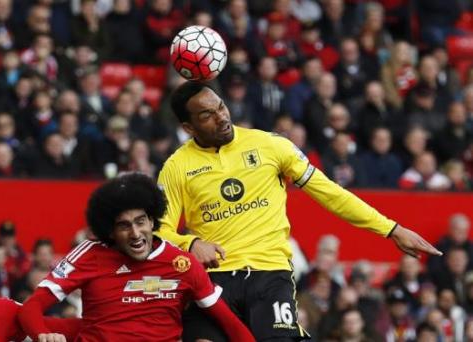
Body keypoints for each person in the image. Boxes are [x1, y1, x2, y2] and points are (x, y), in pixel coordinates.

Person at [157, 81, 442, 341]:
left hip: (269, 274)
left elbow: (331, 193)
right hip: (213, 278)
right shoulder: (176, 167)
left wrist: (392, 229)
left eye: (221, 107)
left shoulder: (270, 145)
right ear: (189, 128)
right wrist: (191, 243)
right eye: (207, 115)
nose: (222, 117)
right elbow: (159, 231)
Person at [18, 173, 255, 341]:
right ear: (110, 231)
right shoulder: (89, 254)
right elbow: (31, 307)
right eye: (124, 226)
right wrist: (43, 336)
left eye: (141, 222)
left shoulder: (182, 264)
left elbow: (229, 323)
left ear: (152, 221)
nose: (135, 233)